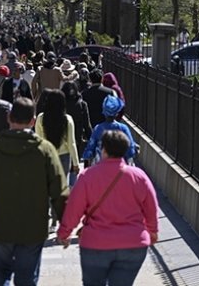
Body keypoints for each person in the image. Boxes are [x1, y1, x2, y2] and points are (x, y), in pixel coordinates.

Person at [0, 97, 69, 286]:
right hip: (33, 226)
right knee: (27, 276)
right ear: (33, 121)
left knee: (0, 270)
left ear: (9, 117)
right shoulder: (44, 150)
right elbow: (59, 191)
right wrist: (65, 226)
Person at [56, 130, 159, 286]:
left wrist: (64, 232)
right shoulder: (139, 176)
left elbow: (73, 208)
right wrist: (152, 231)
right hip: (132, 244)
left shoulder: (87, 176)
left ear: (103, 150)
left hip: (95, 244)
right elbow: (151, 207)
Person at [35, 89, 80, 187]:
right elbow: (71, 142)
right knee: (61, 187)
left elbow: (38, 141)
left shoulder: (40, 118)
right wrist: (75, 163)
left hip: (47, 156)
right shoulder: (67, 119)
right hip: (64, 156)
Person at [83, 95, 137, 166]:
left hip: (101, 167)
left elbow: (90, 148)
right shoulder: (123, 128)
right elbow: (130, 149)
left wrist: (87, 156)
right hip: (120, 166)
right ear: (117, 113)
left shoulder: (98, 128)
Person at [62, 81, 93, 158]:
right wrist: (91, 139)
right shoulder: (82, 104)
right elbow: (87, 124)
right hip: (77, 136)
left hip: (62, 136)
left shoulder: (61, 103)